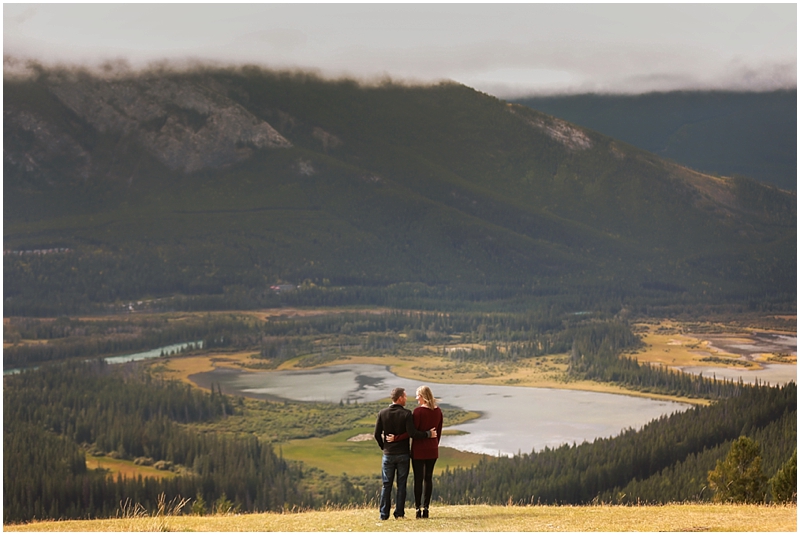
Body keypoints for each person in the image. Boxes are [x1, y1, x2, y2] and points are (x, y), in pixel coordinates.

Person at [374, 387, 437, 520]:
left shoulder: (382, 413)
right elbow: (412, 433)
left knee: (386, 484)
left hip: (388, 454)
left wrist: (384, 447)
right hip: (403, 454)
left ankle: (383, 515)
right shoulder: (407, 414)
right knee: (401, 484)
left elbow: (376, 434)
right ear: (400, 398)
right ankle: (399, 513)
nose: (407, 399)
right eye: (405, 396)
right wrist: (428, 434)